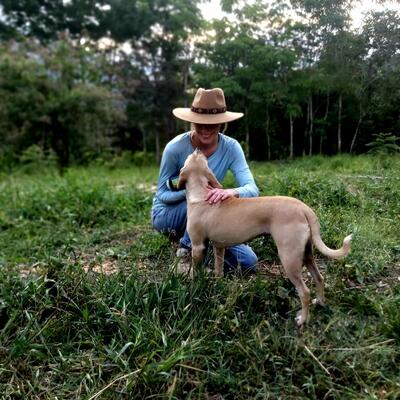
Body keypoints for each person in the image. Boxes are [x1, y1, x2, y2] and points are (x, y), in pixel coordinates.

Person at [151, 87, 259, 273]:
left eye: (212, 124)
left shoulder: (231, 147)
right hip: (169, 213)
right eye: (199, 124)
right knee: (201, 204)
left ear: (222, 123)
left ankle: (202, 250)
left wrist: (231, 192)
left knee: (248, 262)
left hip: (206, 214)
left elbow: (252, 188)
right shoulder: (175, 148)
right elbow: (162, 194)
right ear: (192, 121)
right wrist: (192, 192)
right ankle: (185, 256)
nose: (205, 130)